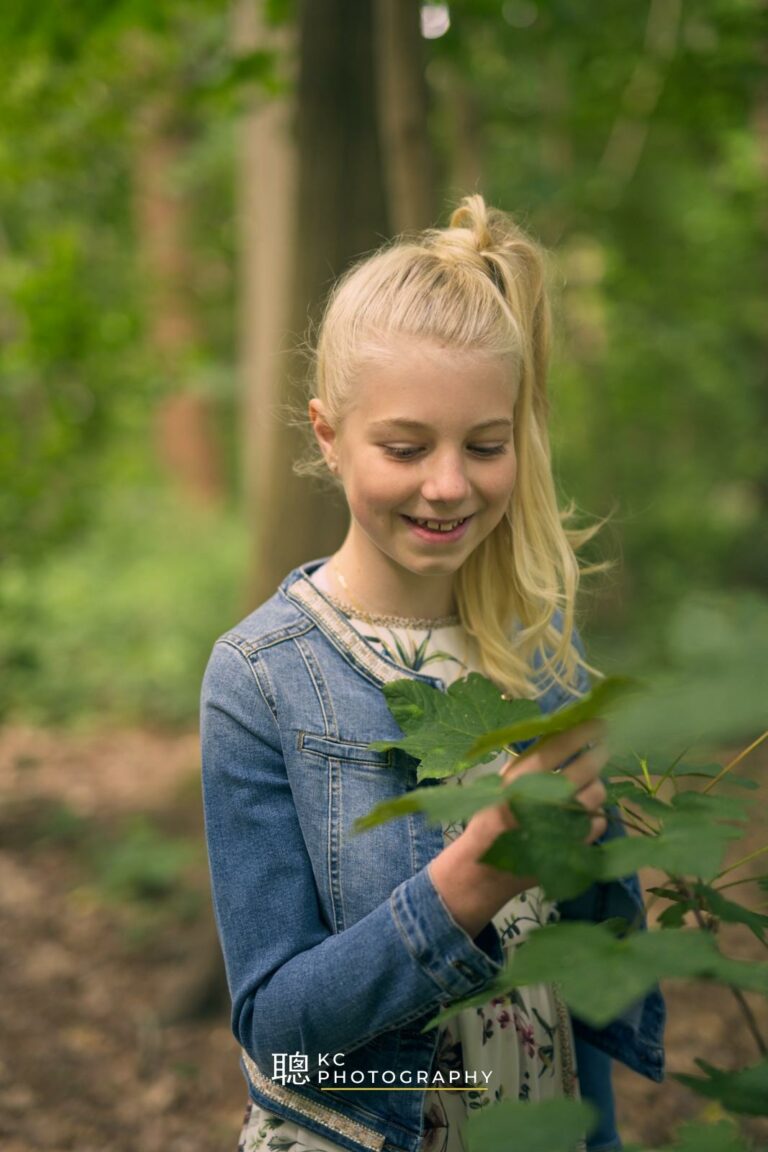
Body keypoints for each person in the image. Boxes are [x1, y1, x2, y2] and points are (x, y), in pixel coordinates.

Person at [200, 196, 665, 1152]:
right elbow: (278, 1036)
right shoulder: (260, 680)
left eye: (485, 446)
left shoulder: (546, 665)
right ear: (328, 436)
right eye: (406, 448)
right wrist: (467, 885)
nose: (449, 484)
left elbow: (585, 994)